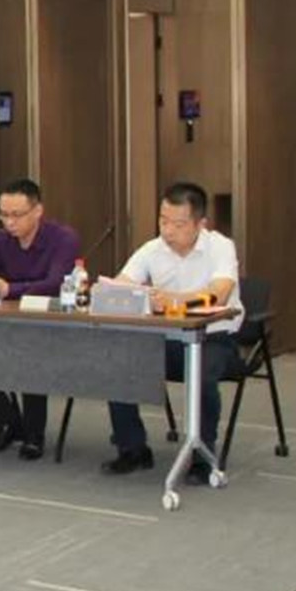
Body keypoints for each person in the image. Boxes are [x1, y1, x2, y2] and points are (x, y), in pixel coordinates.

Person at [103, 182, 242, 483]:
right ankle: (132, 448)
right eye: (163, 221)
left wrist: (173, 301)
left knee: (201, 375)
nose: (168, 231)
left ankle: (202, 456)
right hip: (167, 339)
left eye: (178, 224)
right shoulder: (152, 249)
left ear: (200, 224)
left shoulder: (220, 246)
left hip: (214, 339)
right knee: (119, 364)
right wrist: (118, 293)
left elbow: (219, 293)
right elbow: (121, 285)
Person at [0, 179, 81, 460]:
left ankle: (34, 434)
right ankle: (6, 423)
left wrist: (10, 289)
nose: (9, 222)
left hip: (50, 324)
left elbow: (56, 284)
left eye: (17, 215)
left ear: (38, 210)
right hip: (5, 321)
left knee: (31, 347)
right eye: (4, 214)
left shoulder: (63, 238)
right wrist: (3, 288)